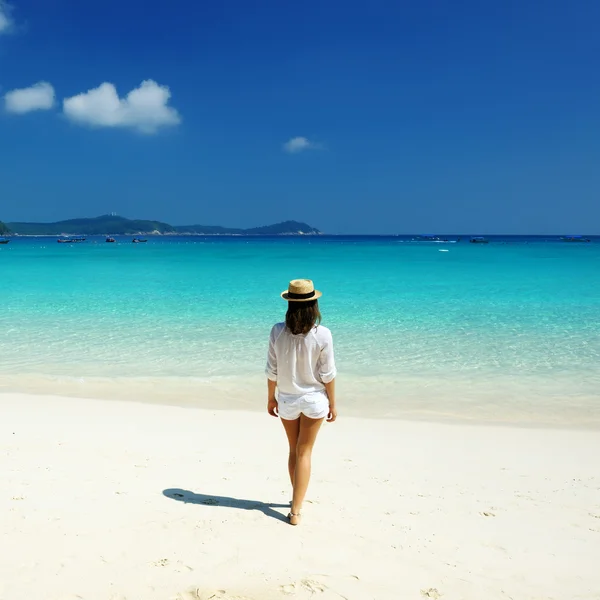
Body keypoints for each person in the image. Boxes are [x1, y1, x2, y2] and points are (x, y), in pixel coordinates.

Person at [265, 279, 337, 526]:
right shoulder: (323, 334)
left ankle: (296, 500)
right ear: (313, 305)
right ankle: (296, 510)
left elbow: (272, 369)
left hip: (287, 399)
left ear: (289, 305)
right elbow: (328, 374)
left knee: (294, 450)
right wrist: (334, 404)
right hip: (315, 400)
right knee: (305, 452)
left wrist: (270, 398)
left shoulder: (277, 331)